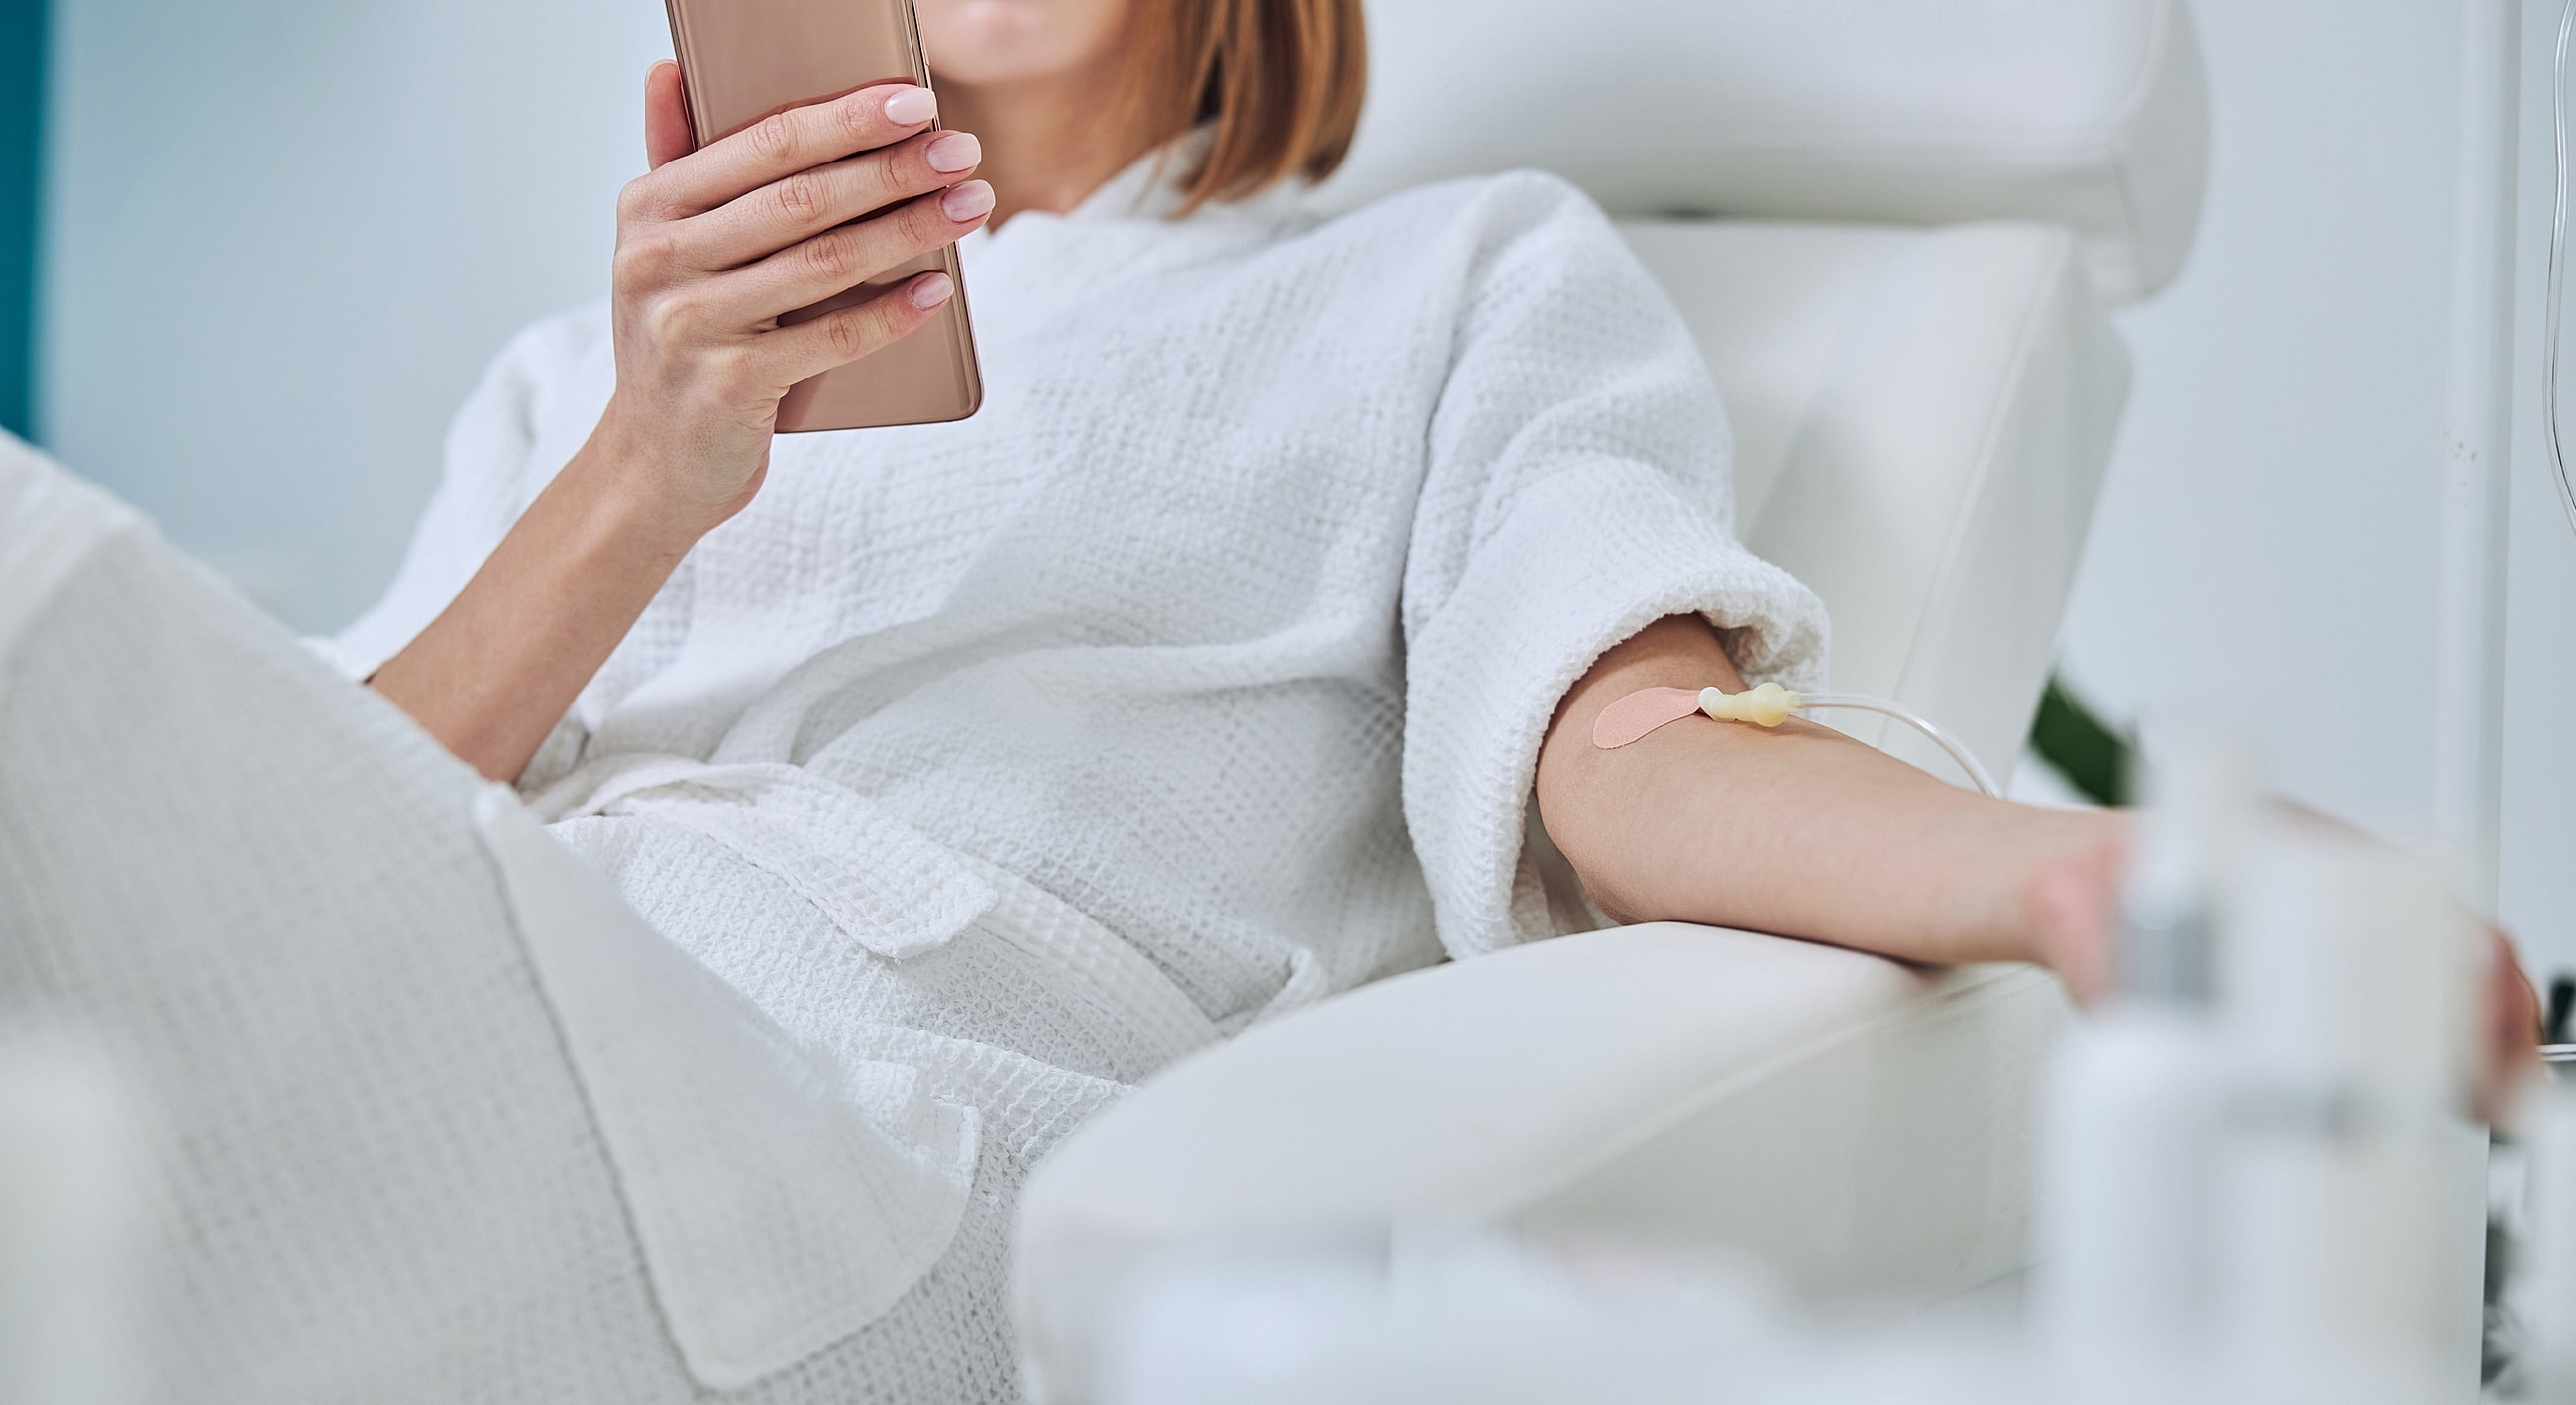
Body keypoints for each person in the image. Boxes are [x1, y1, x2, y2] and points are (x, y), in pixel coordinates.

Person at [0, 0, 2538, 1398]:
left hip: (855, 1169)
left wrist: (2109, 879)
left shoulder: (1443, 288)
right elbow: (268, 847)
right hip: (472, 1055)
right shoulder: (614, 365)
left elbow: (1633, 758)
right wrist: (645, 479)